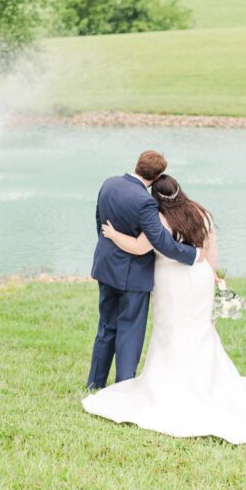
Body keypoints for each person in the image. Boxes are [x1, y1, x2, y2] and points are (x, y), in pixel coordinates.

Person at [83, 172, 246, 445]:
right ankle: (207, 382)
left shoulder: (157, 220)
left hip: (170, 282)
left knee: (170, 330)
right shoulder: (202, 214)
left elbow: (138, 248)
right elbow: (210, 255)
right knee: (202, 329)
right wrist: (215, 278)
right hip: (201, 278)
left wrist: (112, 234)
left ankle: (173, 386)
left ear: (156, 197)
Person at [86, 150, 204, 390]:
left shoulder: (109, 184)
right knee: (130, 330)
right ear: (158, 175)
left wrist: (110, 248)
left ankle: (94, 383)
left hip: (106, 267)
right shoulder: (145, 202)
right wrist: (193, 254)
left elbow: (99, 221)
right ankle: (124, 387)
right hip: (132, 275)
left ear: (137, 164)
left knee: (106, 326)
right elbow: (161, 241)